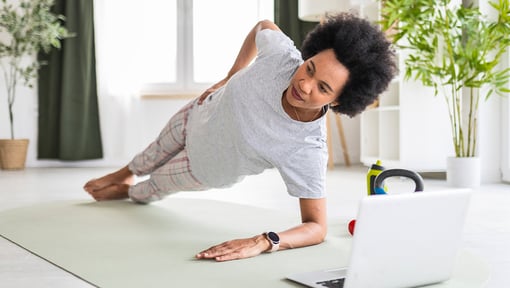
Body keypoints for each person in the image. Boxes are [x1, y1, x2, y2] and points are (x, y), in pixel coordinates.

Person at [83, 13, 396, 262]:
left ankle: (128, 192)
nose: (305, 83)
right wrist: (230, 75)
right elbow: (263, 25)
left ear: (339, 101)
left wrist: (264, 242)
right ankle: (125, 172)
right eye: (310, 67)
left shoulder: (307, 148)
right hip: (198, 113)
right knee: (150, 154)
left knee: (152, 187)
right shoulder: (282, 57)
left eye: (323, 88)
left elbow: (317, 227)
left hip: (203, 167)